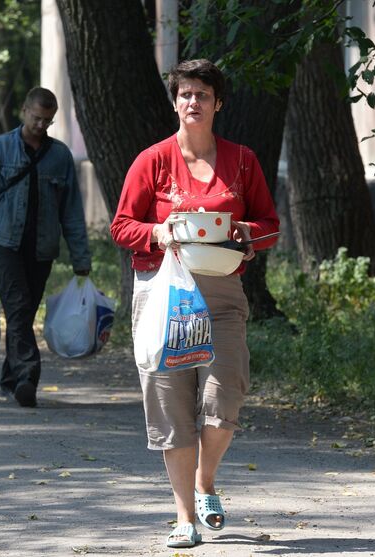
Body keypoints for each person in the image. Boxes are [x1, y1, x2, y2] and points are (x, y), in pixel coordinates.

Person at [110, 59, 279, 548]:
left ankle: (206, 481)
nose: (192, 103)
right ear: (175, 101)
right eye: (185, 94)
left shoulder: (243, 161)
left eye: (202, 95)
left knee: (224, 396)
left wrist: (251, 235)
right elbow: (122, 225)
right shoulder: (153, 160)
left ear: (218, 103)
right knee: (172, 405)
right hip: (164, 294)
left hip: (222, 296)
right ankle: (184, 516)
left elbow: (268, 223)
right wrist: (157, 231)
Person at [0, 87, 91, 408]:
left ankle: (10, 379)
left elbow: (71, 210)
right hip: (3, 243)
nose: (41, 125)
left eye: (47, 121)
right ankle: (27, 376)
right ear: (24, 111)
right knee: (17, 307)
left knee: (23, 313)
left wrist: (81, 256)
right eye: (36, 118)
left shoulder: (60, 156)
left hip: (42, 249)